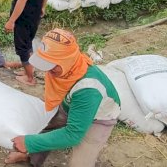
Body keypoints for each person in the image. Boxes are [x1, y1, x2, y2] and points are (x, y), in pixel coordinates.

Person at [7, 28, 121, 167]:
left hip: (99, 117)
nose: (47, 70)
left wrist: (29, 142)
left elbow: (73, 135)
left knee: (80, 162)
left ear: (67, 60)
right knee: (46, 125)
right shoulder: (67, 68)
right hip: (72, 104)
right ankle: (31, 158)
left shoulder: (88, 89)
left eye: (51, 65)